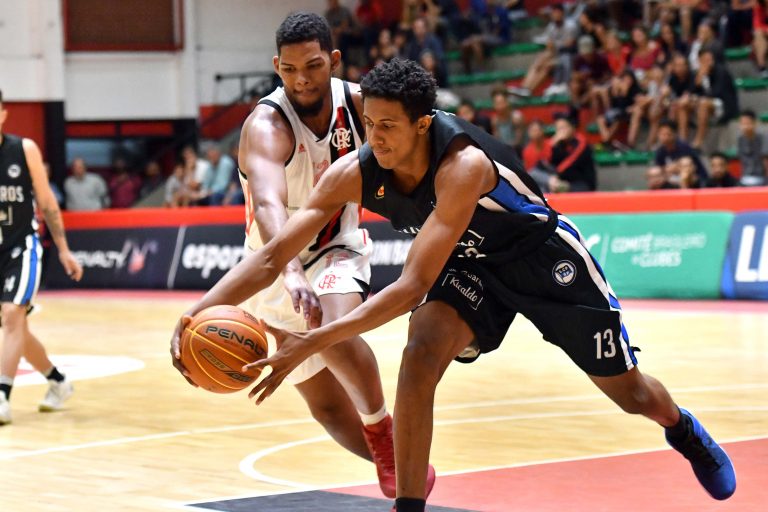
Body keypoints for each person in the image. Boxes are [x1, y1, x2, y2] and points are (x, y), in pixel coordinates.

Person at [170, 59, 736, 512]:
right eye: (370, 124)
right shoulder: (356, 171)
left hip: (543, 261)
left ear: (422, 124)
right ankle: (409, 505)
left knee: (632, 395)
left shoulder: (463, 165)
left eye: (389, 127)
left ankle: (683, 429)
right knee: (419, 356)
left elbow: (410, 287)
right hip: (471, 266)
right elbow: (273, 255)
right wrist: (195, 314)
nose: (375, 139)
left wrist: (310, 342)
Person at [170, 14, 433, 499]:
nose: (302, 79)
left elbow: (422, 135)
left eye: (312, 66)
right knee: (328, 409)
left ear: (333, 60)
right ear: (277, 67)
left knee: (327, 328)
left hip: (337, 246)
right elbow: (269, 206)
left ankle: (383, 434)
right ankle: (400, 457)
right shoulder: (265, 125)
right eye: (289, 70)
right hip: (271, 261)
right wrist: (289, 272)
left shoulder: (361, 105)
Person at [0, 89, 84, 425]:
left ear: (3, 114)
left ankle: (1, 397)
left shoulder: (24, 150)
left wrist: (63, 249)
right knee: (16, 327)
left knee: (11, 315)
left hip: (21, 247)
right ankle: (58, 382)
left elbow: (47, 203)